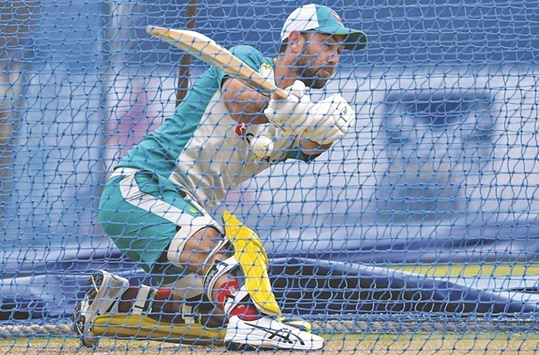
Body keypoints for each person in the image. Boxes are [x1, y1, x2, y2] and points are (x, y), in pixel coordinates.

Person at [73, 3, 367, 351]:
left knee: (211, 316)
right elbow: (238, 100)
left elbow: (311, 144)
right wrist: (280, 108)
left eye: (338, 51)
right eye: (326, 45)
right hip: (143, 187)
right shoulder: (250, 61)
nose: (333, 58)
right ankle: (253, 320)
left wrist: (327, 126)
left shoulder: (299, 113)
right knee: (223, 257)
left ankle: (112, 302)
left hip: (183, 212)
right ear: (294, 40)